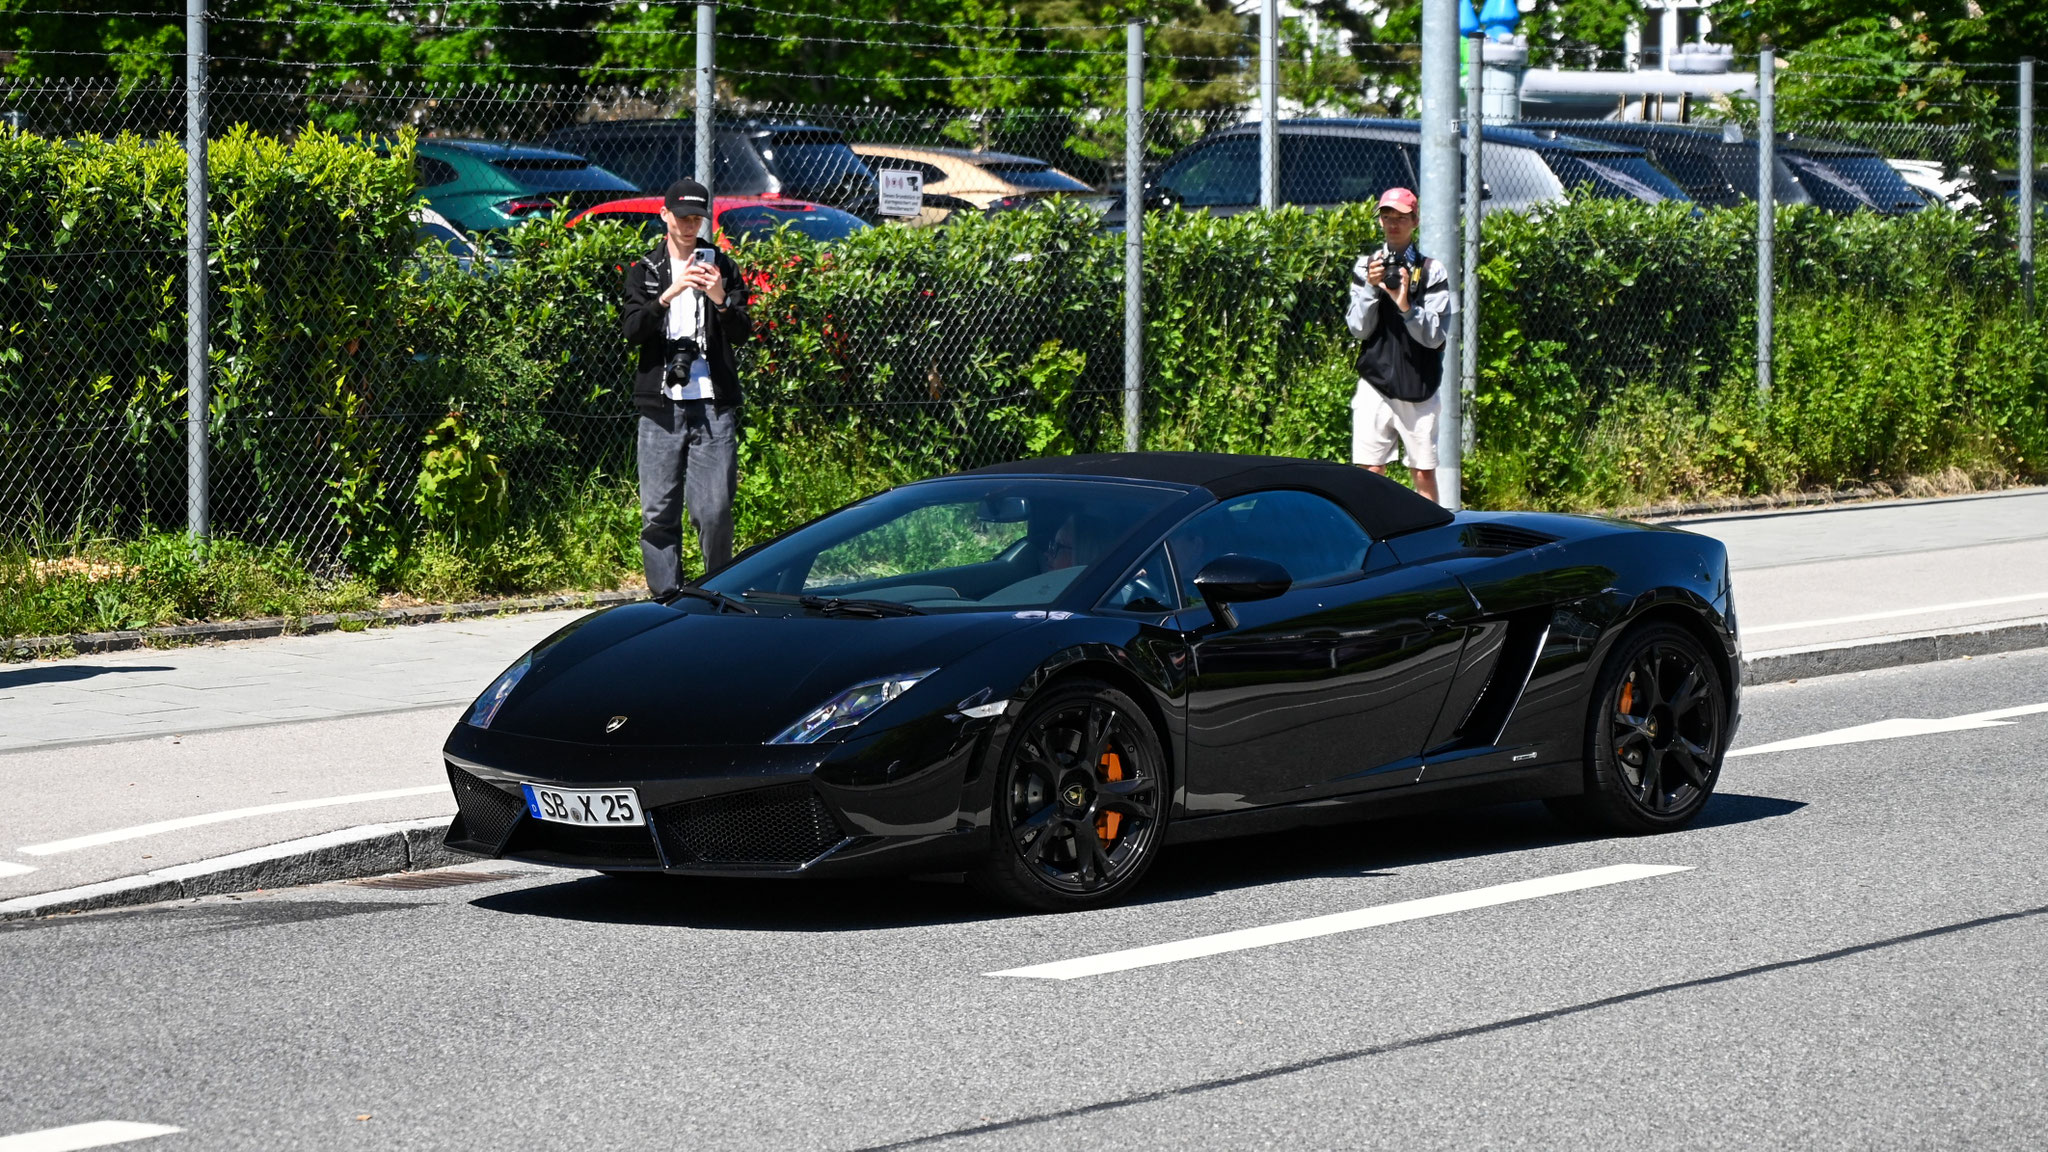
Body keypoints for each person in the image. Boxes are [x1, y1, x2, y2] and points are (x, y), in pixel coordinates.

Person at [621, 178, 753, 597]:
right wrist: (668, 295)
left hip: (713, 404)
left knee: (713, 510)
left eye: (697, 218)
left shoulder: (723, 267)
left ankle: (718, 595)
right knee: (658, 513)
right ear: (665, 216)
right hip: (660, 405)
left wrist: (719, 297)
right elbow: (632, 331)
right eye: (682, 217)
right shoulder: (646, 269)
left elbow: (743, 331)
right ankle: (668, 601)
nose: (689, 225)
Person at [1346, 186, 1454, 504]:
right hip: (1376, 381)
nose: (1393, 224)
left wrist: (1406, 305)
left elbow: (1435, 336)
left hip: (1419, 383)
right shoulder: (1366, 266)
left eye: (1401, 217)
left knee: (1423, 473)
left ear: (1415, 221)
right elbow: (1358, 330)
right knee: (1370, 470)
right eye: (1387, 216)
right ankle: (1371, 537)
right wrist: (1371, 287)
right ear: (1379, 221)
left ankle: (1434, 540)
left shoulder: (1433, 270)